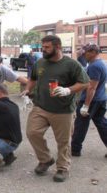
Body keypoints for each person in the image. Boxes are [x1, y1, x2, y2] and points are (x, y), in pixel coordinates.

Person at [23, 35, 89, 182]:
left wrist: (68, 90)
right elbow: (33, 78)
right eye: (42, 47)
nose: (43, 50)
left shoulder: (71, 64)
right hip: (40, 107)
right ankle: (45, 159)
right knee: (32, 132)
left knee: (63, 141)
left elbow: (85, 83)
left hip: (63, 110)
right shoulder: (40, 63)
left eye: (47, 47)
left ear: (58, 46)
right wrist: (27, 91)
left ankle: (62, 168)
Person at [71, 43, 107, 158]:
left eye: (86, 52)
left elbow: (92, 87)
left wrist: (86, 105)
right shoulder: (100, 63)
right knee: (101, 123)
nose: (83, 54)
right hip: (101, 99)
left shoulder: (95, 66)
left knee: (81, 124)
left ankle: (75, 150)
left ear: (93, 52)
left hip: (92, 101)